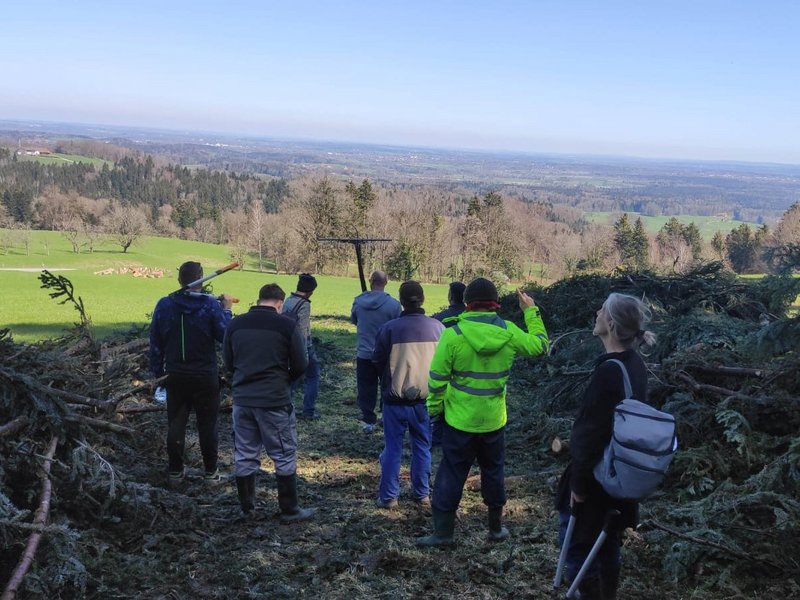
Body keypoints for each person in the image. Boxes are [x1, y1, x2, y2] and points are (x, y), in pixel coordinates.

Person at [417, 277, 549, 547]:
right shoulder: (509, 331)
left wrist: (435, 410)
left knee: (451, 474)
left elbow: (437, 379)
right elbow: (540, 345)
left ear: (467, 304)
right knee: (493, 472)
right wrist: (531, 311)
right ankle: (496, 529)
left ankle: (443, 534)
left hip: (458, 421)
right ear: (495, 304)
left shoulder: (453, 335)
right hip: (493, 421)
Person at [554, 293, 656, 600]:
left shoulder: (609, 371)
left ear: (610, 324)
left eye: (602, 309)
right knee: (608, 542)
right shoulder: (634, 363)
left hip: (599, 478)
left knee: (579, 548)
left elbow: (591, 434)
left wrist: (579, 485)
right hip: (619, 475)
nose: (596, 312)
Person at [223, 283, 315, 522]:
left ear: (259, 299)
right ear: (279, 303)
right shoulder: (286, 325)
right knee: (283, 453)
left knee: (245, 453)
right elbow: (301, 364)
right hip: (274, 401)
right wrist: (286, 382)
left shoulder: (235, 324)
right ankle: (289, 509)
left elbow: (228, 363)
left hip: (243, 400)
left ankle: (247, 508)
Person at [149, 261, 233, 481]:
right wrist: (227, 310)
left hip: (175, 375)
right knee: (208, 425)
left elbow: (155, 342)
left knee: (176, 424)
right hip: (205, 376)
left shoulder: (165, 304)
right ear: (202, 279)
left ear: (179, 280)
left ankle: (175, 471)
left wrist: (158, 374)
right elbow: (224, 335)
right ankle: (211, 472)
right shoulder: (210, 305)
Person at [372, 281, 444, 509]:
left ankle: (389, 497)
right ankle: (422, 494)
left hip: (394, 400)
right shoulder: (438, 328)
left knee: (392, 449)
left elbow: (377, 361)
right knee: (422, 448)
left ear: (401, 301)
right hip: (425, 401)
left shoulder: (389, 329)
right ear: (422, 299)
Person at [350, 270, 401, 433]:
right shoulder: (394, 305)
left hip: (364, 353)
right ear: (386, 282)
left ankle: (368, 420)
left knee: (366, 387)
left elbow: (354, 320)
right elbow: (398, 326)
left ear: (370, 281)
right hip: (386, 354)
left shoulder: (358, 301)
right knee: (387, 386)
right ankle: (386, 417)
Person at [283, 273, 321, 420]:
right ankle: (308, 411)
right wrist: (303, 355)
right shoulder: (304, 304)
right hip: (303, 347)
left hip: (287, 344)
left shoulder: (288, 300)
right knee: (313, 376)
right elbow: (303, 330)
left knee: (291, 379)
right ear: (310, 290)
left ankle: (284, 408)